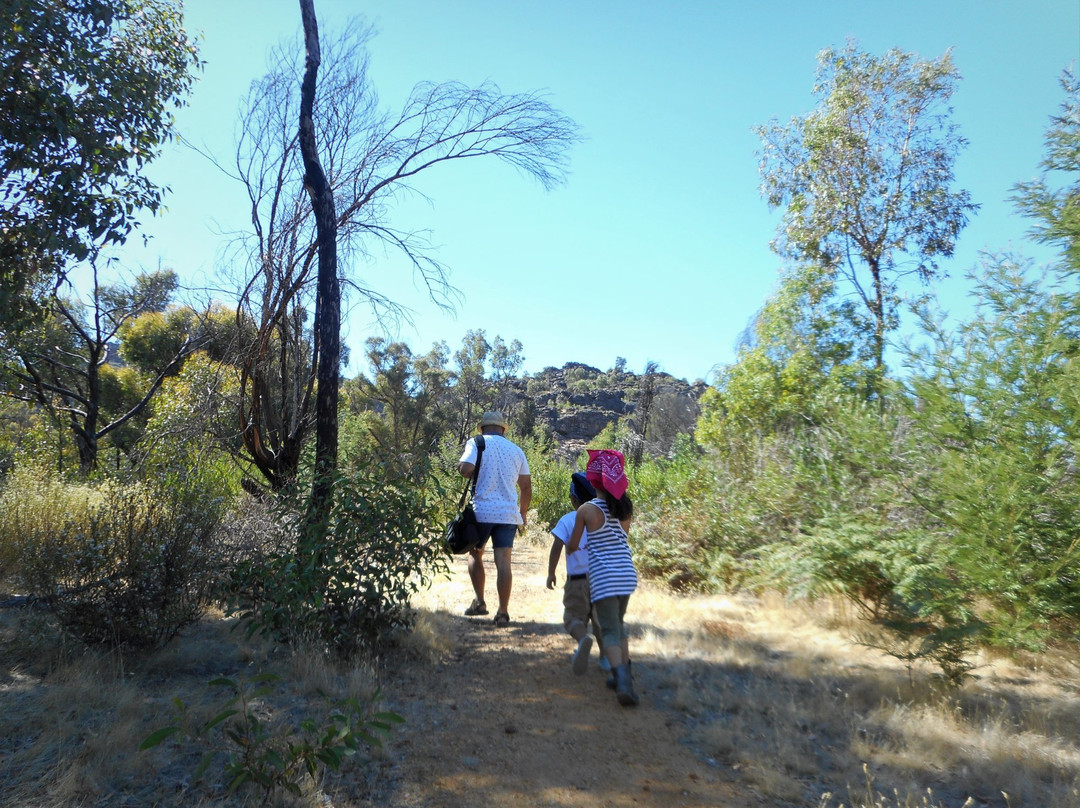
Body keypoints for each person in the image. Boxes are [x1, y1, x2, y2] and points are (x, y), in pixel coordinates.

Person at [567, 448, 639, 706]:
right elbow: (623, 537)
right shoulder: (625, 507)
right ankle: (623, 674)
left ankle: (622, 683)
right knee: (618, 625)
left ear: (593, 480)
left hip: (604, 577)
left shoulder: (586, 510)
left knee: (608, 629)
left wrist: (572, 548)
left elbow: (574, 544)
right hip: (626, 574)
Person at [458, 411, 532, 628]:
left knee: (475, 554)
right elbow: (526, 486)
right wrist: (523, 512)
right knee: (504, 563)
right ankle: (502, 612)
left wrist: (461, 467)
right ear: (502, 429)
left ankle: (480, 602)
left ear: (482, 428)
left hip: (482, 511)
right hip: (508, 513)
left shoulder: (477, 442)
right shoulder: (516, 450)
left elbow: (466, 469)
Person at [546, 471, 609, 675]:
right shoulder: (602, 519)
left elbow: (557, 547)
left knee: (573, 617)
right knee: (601, 621)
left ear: (574, 499)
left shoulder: (568, 520)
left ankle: (583, 640)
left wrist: (551, 573)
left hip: (577, 581)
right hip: (601, 580)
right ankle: (606, 658)